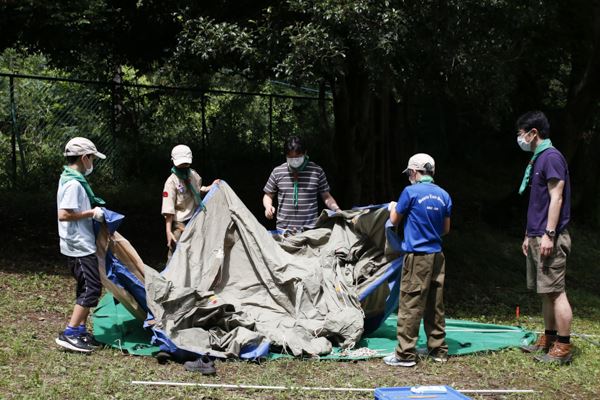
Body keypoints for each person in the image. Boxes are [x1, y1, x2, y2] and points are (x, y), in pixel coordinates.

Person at [383, 153, 452, 367]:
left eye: (409, 173)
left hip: (417, 257)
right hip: (437, 256)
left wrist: (393, 208)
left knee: (411, 303)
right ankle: (437, 349)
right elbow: (446, 229)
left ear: (414, 172)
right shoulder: (444, 195)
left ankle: (404, 355)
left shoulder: (410, 192)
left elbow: (394, 221)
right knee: (435, 303)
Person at [516, 111, 573, 364]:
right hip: (537, 234)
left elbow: (556, 197)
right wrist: (530, 234)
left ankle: (563, 346)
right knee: (545, 291)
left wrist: (550, 234)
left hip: (551, 236)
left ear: (533, 133)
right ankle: (549, 338)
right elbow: (537, 202)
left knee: (556, 292)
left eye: (521, 134)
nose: (520, 139)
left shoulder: (551, 157)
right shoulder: (537, 159)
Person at [55, 137, 107, 353]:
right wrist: (92, 213)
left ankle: (80, 331)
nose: (92, 163)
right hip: (79, 246)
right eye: (92, 158)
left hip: (79, 243)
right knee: (92, 288)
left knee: (85, 287)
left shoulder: (70, 178)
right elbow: (64, 214)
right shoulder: (74, 183)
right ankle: (70, 332)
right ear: (84, 158)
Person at [263, 136, 341, 231]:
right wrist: (268, 207)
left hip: (310, 230)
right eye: (290, 157)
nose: (294, 160)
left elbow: (326, 196)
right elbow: (268, 195)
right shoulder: (277, 171)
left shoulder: (316, 171)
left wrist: (337, 210)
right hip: (283, 230)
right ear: (286, 155)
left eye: (297, 156)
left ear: (305, 153)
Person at [161, 144, 219, 259]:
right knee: (176, 250)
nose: (183, 166)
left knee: (197, 249)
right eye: (181, 163)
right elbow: (169, 209)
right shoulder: (171, 182)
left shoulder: (193, 175)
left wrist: (210, 187)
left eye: (186, 163)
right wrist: (168, 231)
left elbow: (197, 191)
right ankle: (171, 275)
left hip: (195, 218)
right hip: (180, 222)